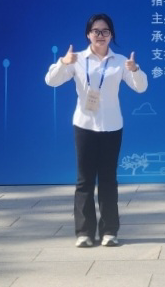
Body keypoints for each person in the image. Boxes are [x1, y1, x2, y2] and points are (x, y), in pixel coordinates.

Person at [45, 13, 147, 247]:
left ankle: (109, 231)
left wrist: (135, 69)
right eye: (96, 31)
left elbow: (141, 87)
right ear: (88, 34)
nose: (100, 35)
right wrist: (63, 62)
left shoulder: (120, 61)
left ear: (111, 35)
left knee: (108, 180)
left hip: (112, 126)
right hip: (84, 125)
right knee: (85, 180)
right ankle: (84, 232)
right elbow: (51, 81)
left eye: (105, 31)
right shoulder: (77, 59)